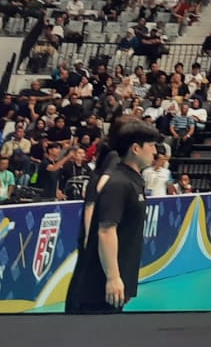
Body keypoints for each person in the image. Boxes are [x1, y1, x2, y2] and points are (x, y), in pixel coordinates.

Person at [65, 121, 164, 313]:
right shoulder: (118, 183)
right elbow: (106, 231)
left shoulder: (135, 181)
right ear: (136, 148)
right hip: (99, 288)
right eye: (151, 145)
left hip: (118, 284)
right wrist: (113, 278)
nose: (155, 151)